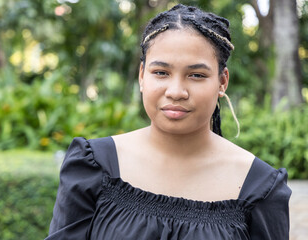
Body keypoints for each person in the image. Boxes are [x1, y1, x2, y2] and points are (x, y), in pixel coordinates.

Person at [45, 4, 291, 240]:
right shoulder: (93, 165)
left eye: (196, 75)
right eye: (161, 72)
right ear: (142, 76)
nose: (176, 91)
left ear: (222, 81)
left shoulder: (259, 186)